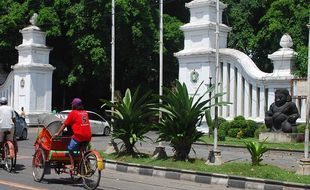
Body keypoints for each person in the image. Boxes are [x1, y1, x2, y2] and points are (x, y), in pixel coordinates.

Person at [54, 98, 91, 170]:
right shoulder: (85, 112)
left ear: (74, 105)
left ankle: (72, 165)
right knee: (82, 150)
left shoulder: (73, 113)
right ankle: (82, 164)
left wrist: (58, 133)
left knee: (70, 149)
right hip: (88, 136)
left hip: (79, 136)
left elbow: (65, 124)